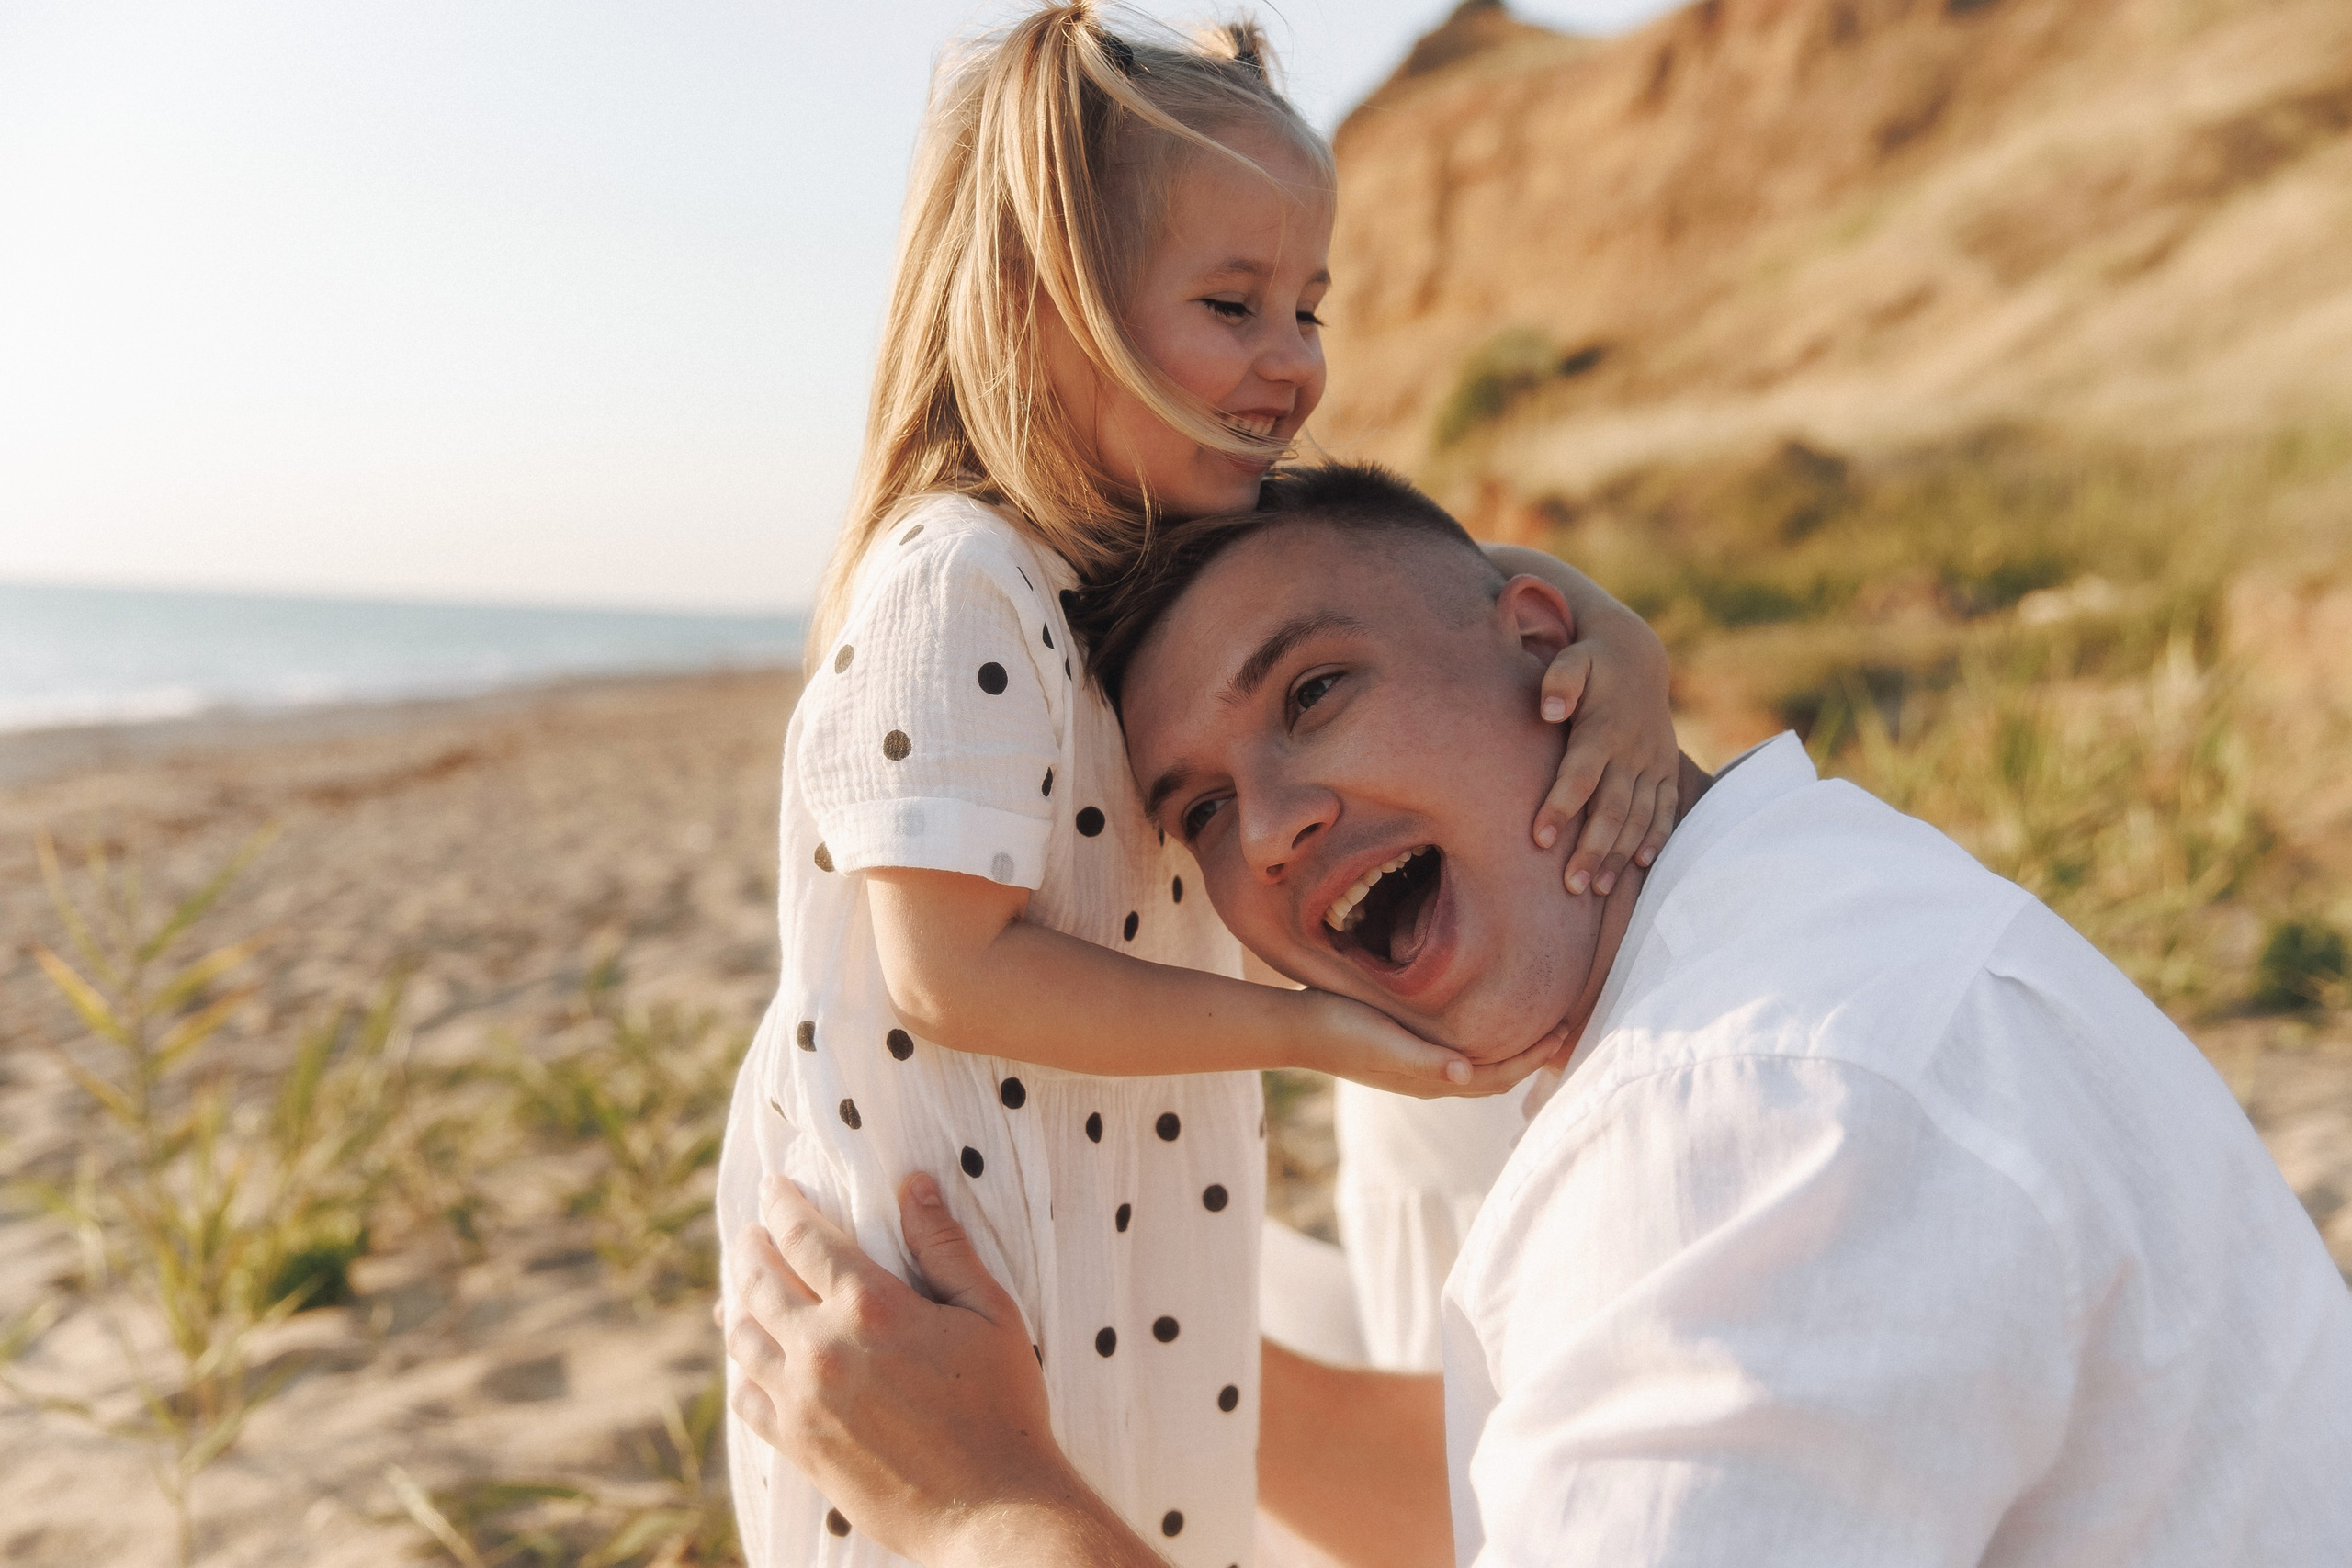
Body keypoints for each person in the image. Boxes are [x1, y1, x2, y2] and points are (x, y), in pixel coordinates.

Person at [723, 463, 2352, 1567]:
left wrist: (980, 1508)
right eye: (1199, 807)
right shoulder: (1808, 905)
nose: (1272, 821)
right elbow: (1513, 1482)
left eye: (1312, 691)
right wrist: (1081, 1374)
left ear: (1547, 645)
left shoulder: (1756, 1117)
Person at [716, 9, 1684, 1563]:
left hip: (1111, 1236)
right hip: (966, 1272)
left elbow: (1427, 588)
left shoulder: (1141, 562)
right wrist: (1312, 1031)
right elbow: (949, 972)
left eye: (1309, 307)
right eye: (1233, 304)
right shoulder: (958, 576)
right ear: (1045, 309)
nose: (1294, 363)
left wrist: (1610, 641)